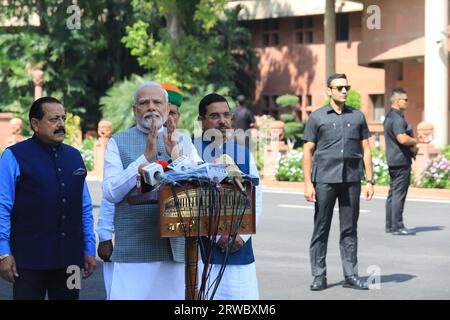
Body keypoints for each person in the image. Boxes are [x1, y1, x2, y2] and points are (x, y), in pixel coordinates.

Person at [101, 82, 202, 300]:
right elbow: (110, 192)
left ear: (167, 109)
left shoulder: (182, 139)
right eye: (144, 102)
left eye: (157, 102)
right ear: (135, 109)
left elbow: (198, 185)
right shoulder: (118, 142)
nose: (151, 107)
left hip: (177, 249)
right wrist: (144, 158)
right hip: (135, 248)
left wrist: (176, 155)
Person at [0, 97, 96, 300]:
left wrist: (88, 248)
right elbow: (2, 207)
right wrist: (3, 253)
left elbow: (85, 207)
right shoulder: (14, 156)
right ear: (35, 124)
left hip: (71, 259)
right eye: (53, 119)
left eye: (63, 118)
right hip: (28, 260)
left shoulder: (75, 157)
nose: (61, 124)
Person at [302, 73, 374, 291]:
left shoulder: (358, 117)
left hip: (352, 180)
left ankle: (351, 275)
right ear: (329, 91)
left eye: (346, 87)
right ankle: (319, 275)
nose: (344, 91)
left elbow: (366, 149)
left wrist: (370, 180)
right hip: (324, 180)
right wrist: (307, 183)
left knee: (349, 229)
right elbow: (307, 151)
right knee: (321, 228)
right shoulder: (317, 117)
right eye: (339, 87)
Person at [194, 93, 262, 300]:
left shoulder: (242, 152)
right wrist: (217, 236)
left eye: (226, 115)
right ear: (201, 121)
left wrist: (243, 236)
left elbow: (256, 196)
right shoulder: (191, 151)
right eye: (215, 116)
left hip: (240, 246)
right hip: (204, 249)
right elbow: (191, 200)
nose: (222, 121)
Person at [383, 88, 417, 236]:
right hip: (401, 161)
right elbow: (402, 139)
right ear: (397, 101)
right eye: (405, 100)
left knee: (393, 194)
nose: (407, 102)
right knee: (398, 194)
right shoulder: (396, 118)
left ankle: (390, 225)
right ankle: (397, 226)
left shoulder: (390, 117)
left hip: (394, 160)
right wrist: (415, 141)